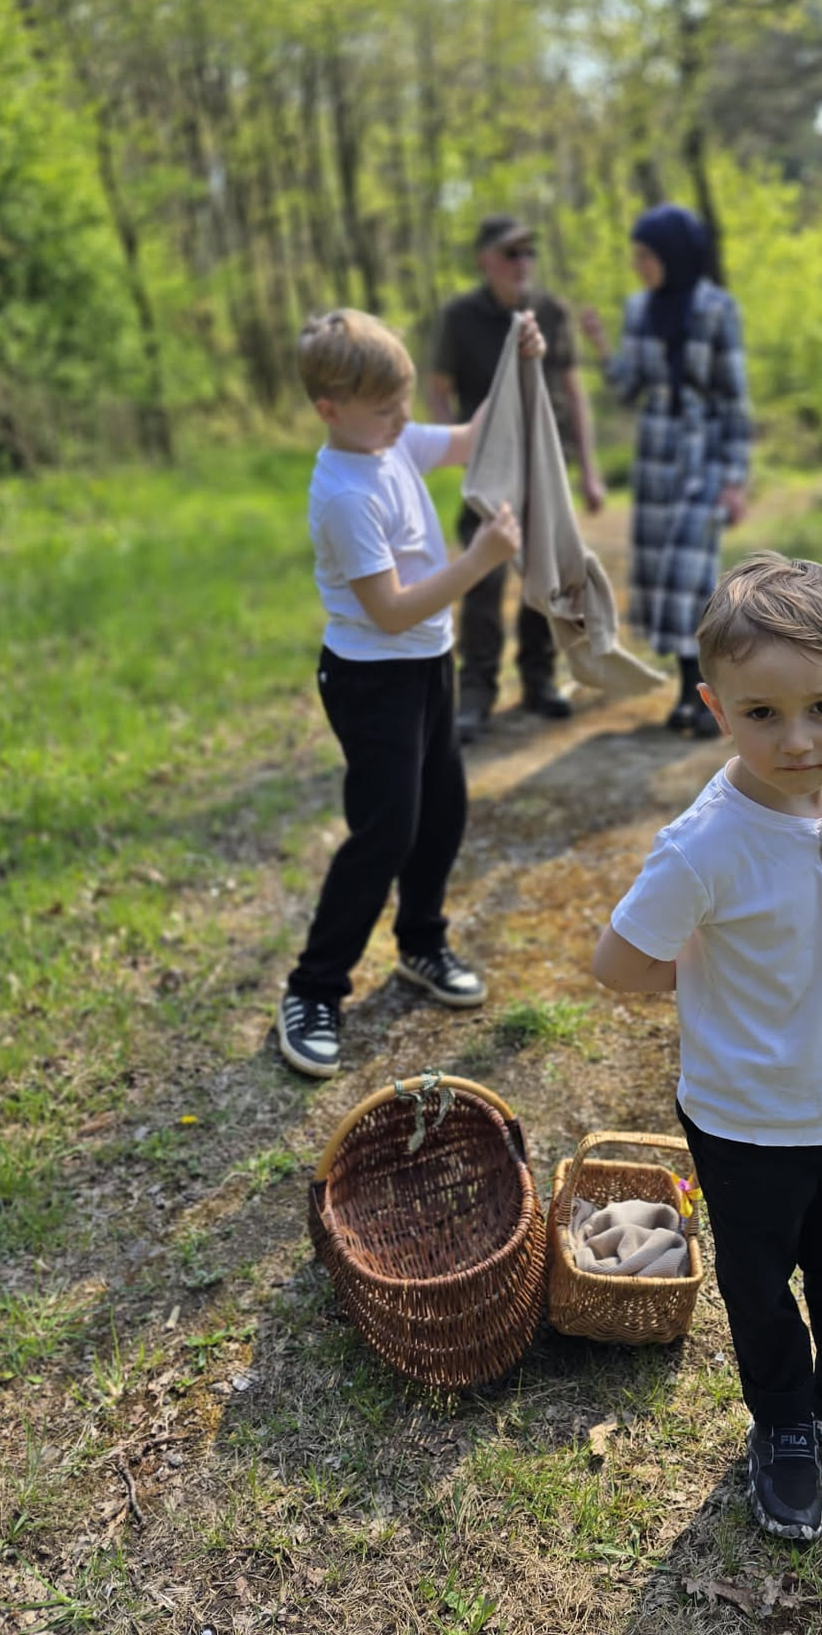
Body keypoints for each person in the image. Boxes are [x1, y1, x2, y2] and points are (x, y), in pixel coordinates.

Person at [591, 552, 822, 1542]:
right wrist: (706, 976)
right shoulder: (703, 846)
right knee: (760, 1288)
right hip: (744, 1121)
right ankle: (786, 1422)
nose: (797, 740)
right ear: (716, 708)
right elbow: (619, 962)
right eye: (761, 714)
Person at [276, 305, 545, 1080]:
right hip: (372, 681)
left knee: (443, 813)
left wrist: (517, 363)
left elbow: (468, 439)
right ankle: (312, 990)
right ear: (330, 410)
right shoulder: (344, 493)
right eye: (385, 410)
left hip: (430, 667)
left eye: (403, 404)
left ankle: (421, 944)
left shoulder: (387, 441)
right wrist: (479, 559)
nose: (402, 421)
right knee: (385, 833)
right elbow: (391, 610)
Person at [429, 215, 605, 743]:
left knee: (544, 575)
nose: (522, 262)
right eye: (510, 252)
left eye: (529, 251)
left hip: (546, 464)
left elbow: (572, 390)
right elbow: (438, 388)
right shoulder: (460, 316)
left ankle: (538, 680)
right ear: (484, 259)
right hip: (490, 467)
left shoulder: (551, 312)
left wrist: (590, 470)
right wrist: (456, 447)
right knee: (483, 578)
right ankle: (476, 691)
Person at [579, 203, 752, 737]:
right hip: (655, 459)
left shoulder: (717, 308)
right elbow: (630, 387)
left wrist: (736, 479)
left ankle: (710, 698)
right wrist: (603, 348)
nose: (639, 265)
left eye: (646, 255)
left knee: (693, 578)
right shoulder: (639, 309)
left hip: (703, 455)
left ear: (673, 254)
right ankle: (685, 693)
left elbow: (734, 396)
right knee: (663, 581)